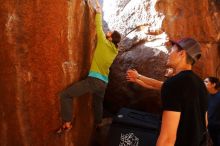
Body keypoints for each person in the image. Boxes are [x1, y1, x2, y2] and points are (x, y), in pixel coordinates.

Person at [56, 0, 121, 134]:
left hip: (95, 81)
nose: (108, 31)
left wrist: (98, 11)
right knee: (98, 103)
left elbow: (98, 27)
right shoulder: (115, 50)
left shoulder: (103, 42)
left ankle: (67, 123)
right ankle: (98, 122)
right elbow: (103, 31)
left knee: (65, 95)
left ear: (110, 37)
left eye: (110, 32)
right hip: (104, 83)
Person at [156, 38, 208, 146]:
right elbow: (205, 122)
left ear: (182, 54)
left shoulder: (174, 84)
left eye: (171, 51)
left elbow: (167, 139)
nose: (169, 54)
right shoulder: (201, 85)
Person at [204, 77, 220, 146]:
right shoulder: (206, 96)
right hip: (210, 128)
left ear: (213, 84)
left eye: (206, 82)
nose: (204, 83)